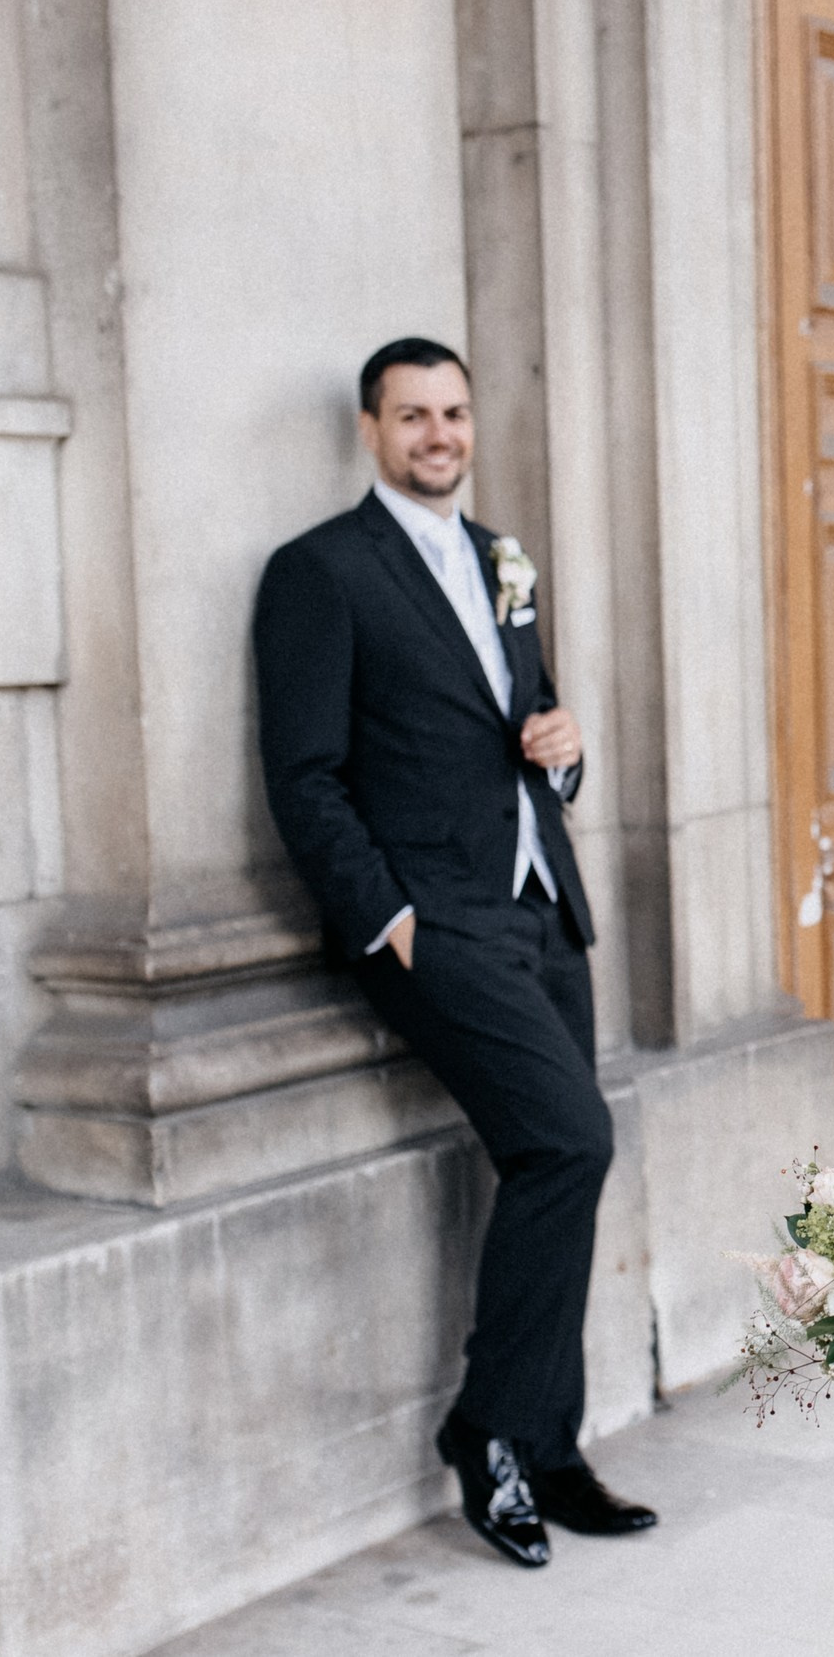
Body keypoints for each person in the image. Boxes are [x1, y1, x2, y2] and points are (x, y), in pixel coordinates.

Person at [252, 338, 654, 1568]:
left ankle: (551, 1445)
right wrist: (390, 917)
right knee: (570, 1140)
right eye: (413, 414)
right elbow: (304, 773)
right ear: (371, 429)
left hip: (543, 902)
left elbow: (529, 725)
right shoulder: (320, 572)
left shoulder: (501, 558)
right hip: (437, 919)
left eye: (455, 412)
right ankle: (486, 1431)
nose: (439, 433)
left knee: (563, 1164)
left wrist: (568, 750)